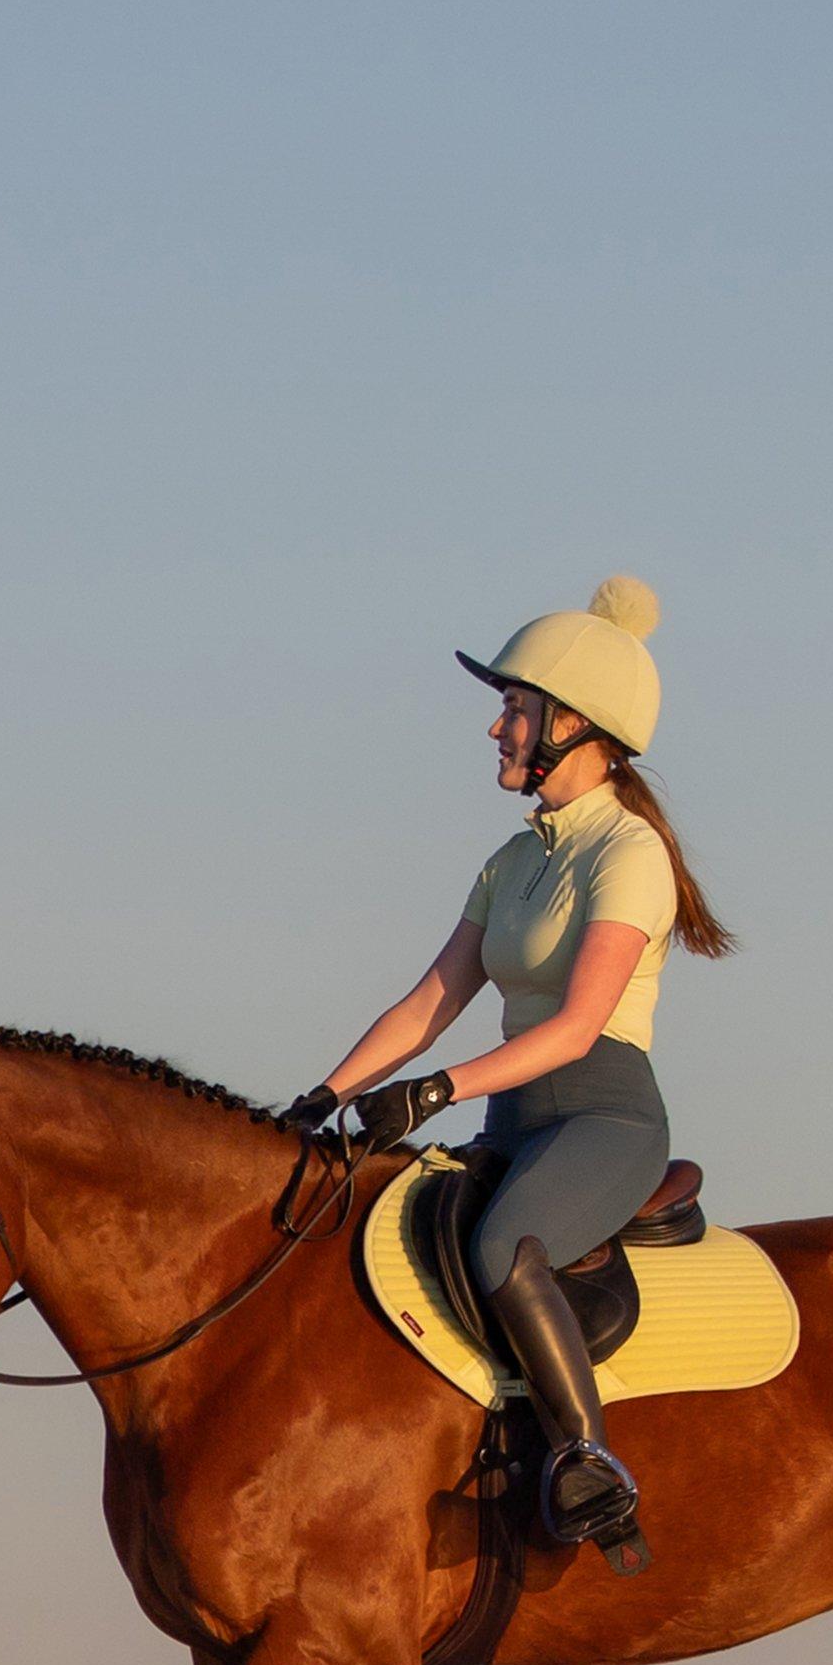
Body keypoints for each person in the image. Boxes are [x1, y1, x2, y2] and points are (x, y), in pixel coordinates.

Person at [293, 579, 733, 1563]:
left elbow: (579, 1027)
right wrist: (324, 1096)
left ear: (573, 723)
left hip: (602, 1120)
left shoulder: (629, 854)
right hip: (512, 1122)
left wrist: (441, 1089)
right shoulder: (510, 859)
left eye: (515, 708)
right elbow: (426, 1004)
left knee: (503, 1247)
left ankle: (588, 1460)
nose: (497, 726)